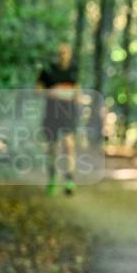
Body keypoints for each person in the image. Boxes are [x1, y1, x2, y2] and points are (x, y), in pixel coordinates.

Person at [37, 43, 80, 196]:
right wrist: (52, 92)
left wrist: (76, 99)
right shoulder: (48, 70)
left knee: (68, 145)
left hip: (68, 114)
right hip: (51, 114)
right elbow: (38, 90)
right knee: (52, 148)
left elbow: (77, 91)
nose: (63, 55)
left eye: (65, 52)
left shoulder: (74, 70)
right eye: (60, 53)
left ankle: (69, 179)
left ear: (69, 53)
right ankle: (53, 177)